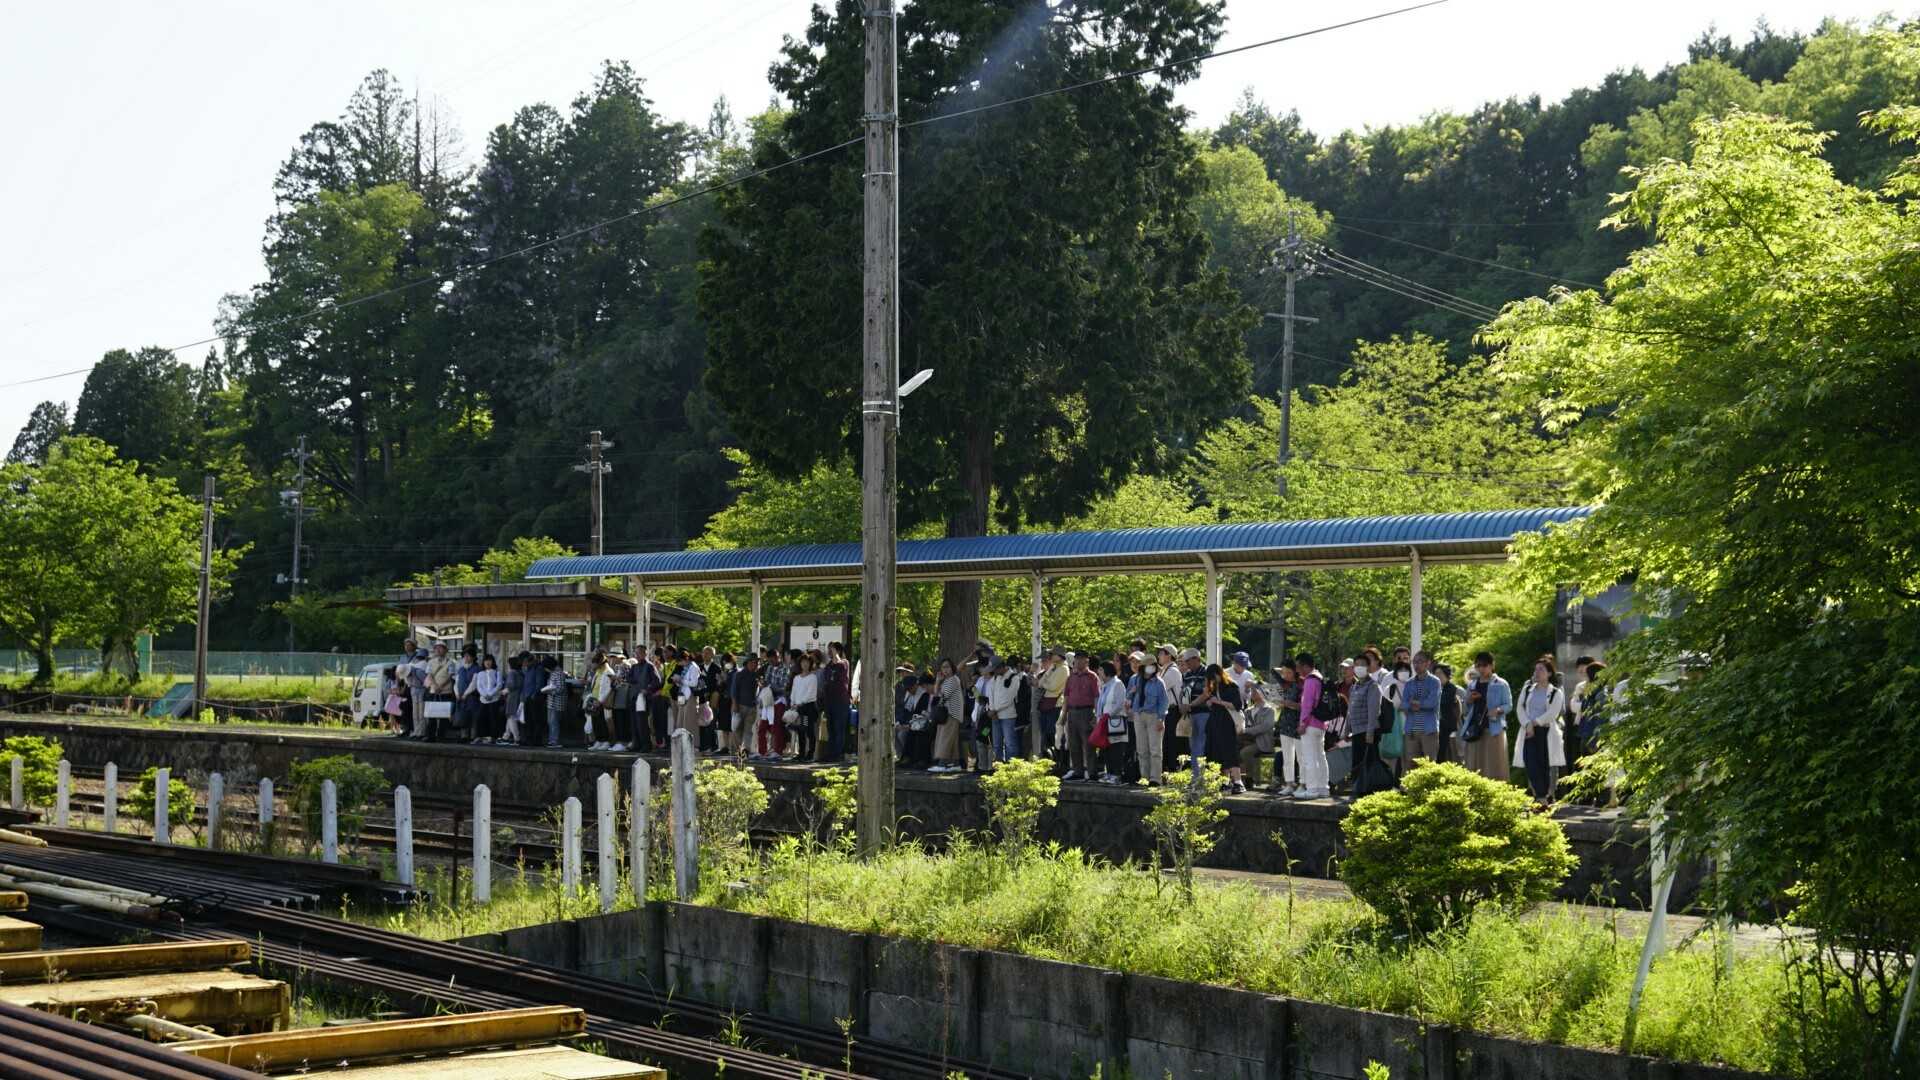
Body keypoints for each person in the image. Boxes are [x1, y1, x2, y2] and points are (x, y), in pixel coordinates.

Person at [1512, 656, 1567, 805]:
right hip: (1528, 731)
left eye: (1541, 669)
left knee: (1544, 765)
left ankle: (1544, 797)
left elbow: (1553, 713)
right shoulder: (1527, 689)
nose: (1537, 672)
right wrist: (1527, 724)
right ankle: (1540, 796)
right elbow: (1520, 708)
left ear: (1549, 673)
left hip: (1545, 731)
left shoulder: (1556, 692)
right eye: (1536, 669)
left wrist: (1535, 722)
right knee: (1531, 763)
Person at [1461, 651, 1512, 781]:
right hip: (1474, 728)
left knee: (1494, 764)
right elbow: (1465, 708)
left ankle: (1497, 791)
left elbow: (1508, 705)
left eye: (1484, 665)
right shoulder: (1472, 684)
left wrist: (1498, 710)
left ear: (1492, 665)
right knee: (1474, 764)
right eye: (1478, 665)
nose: (1481, 669)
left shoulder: (1501, 683)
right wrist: (1470, 700)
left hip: (1494, 729)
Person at [1194, 663, 1244, 791]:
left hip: (1227, 723)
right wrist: (1209, 701)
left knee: (1230, 752)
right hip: (1215, 723)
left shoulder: (1231, 686)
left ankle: (1238, 781)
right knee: (1217, 752)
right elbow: (1211, 704)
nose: (1212, 680)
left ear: (1218, 674)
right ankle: (1224, 781)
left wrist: (1218, 702)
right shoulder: (1213, 688)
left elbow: (1237, 705)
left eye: (1213, 677)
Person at [1126, 654, 1169, 784]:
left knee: (1155, 749)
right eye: (1148, 665)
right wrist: (1131, 693)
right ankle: (1145, 778)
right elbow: (1128, 696)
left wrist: (1161, 719)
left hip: (1154, 716)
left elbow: (1163, 702)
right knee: (1141, 749)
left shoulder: (1159, 682)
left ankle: (1155, 779)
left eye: (1153, 665)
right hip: (1138, 716)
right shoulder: (1134, 679)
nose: (1151, 667)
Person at [1294, 653, 1330, 800]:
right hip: (1321, 723)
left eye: (1298, 667)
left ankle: (1312, 789)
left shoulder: (1310, 680)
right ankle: (1323, 788)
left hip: (1310, 724)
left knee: (1309, 757)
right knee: (1320, 756)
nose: (1297, 670)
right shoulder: (1320, 678)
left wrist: (1303, 723)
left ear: (1305, 666)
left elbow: (1307, 704)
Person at [1061, 652, 1100, 782]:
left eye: (1081, 659)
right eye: (1076, 659)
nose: (1078, 662)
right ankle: (1078, 771)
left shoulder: (1092, 677)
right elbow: (1066, 697)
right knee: (1073, 743)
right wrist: (1064, 715)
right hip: (1072, 712)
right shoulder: (1071, 677)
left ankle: (1092, 772)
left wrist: (1096, 715)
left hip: (1086, 712)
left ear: (1086, 661)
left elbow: (1097, 697)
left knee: (1088, 744)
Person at [1400, 651, 1442, 766]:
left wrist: (1417, 704)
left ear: (1428, 663)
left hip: (1429, 729)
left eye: (1420, 662)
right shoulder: (1409, 683)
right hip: (1411, 729)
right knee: (1411, 763)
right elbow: (1403, 704)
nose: (1416, 665)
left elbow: (1432, 703)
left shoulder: (1434, 681)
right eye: (1414, 662)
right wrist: (1413, 705)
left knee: (1429, 763)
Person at [1095, 660, 1130, 784]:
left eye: (1100, 670)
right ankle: (1109, 773)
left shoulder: (1117, 684)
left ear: (1107, 671)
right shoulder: (1104, 685)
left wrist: (1108, 715)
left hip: (1115, 722)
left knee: (1116, 749)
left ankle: (1117, 774)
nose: (1099, 672)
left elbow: (1120, 703)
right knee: (1107, 749)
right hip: (1105, 722)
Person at [929, 659, 967, 773]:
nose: (945, 670)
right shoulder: (947, 680)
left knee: (944, 739)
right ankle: (955, 764)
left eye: (947, 667)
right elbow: (937, 694)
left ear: (952, 668)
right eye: (943, 667)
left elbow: (942, 696)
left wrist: (938, 684)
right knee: (952, 741)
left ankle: (942, 764)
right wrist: (938, 682)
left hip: (950, 714)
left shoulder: (953, 680)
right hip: (948, 714)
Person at [1270, 662, 1302, 796]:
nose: (1286, 675)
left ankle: (1303, 783)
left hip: (1298, 724)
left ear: (1295, 671)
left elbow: (1304, 706)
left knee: (1300, 757)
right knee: (1287, 756)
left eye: (1289, 672)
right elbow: (1273, 671)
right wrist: (1282, 670)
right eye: (1284, 672)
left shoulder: (1301, 684)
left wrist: (1290, 704)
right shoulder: (1284, 684)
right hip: (1285, 723)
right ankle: (1289, 783)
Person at [1238, 684, 1277, 791]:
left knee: (1245, 752)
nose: (1253, 693)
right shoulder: (1248, 710)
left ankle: (1249, 778)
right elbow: (1243, 724)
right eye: (1252, 691)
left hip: (1262, 742)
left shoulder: (1269, 710)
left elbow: (1266, 726)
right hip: (1247, 739)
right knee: (1232, 748)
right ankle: (1236, 779)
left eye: (1256, 691)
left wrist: (1246, 730)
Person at [986, 658, 1023, 766]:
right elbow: (990, 695)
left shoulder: (1014, 677)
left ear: (1001, 667)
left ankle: (1011, 767)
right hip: (995, 716)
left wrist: (994, 710)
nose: (993, 672)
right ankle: (998, 767)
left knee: (1010, 743)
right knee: (996, 744)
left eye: (995, 669)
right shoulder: (995, 678)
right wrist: (991, 709)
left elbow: (1009, 698)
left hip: (1008, 716)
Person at [820, 642, 853, 764]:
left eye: (832, 650)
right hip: (830, 701)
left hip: (841, 701)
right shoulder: (828, 666)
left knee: (840, 728)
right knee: (831, 728)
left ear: (838, 651)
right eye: (829, 650)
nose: (829, 653)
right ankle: (831, 753)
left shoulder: (844, 663)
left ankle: (838, 754)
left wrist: (836, 656)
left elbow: (841, 668)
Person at [1032, 649, 1068, 760]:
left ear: (1059, 656)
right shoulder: (1054, 668)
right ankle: (1047, 760)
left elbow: (1052, 687)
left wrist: (1044, 683)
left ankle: (1057, 761)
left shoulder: (1063, 669)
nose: (1051, 656)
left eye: (1053, 654)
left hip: (1055, 706)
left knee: (1053, 735)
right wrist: (1046, 681)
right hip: (1046, 705)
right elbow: (1040, 683)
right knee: (1045, 735)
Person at [788, 653, 820, 762]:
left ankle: (810, 754)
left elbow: (811, 693)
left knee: (808, 730)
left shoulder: (812, 677)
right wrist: (792, 703)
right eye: (803, 662)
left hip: (808, 708)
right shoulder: (796, 678)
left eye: (807, 662)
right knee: (800, 730)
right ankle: (801, 754)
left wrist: (800, 703)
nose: (805, 664)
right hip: (798, 709)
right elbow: (793, 692)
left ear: (810, 664)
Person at [729, 654, 760, 763]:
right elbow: (734, 691)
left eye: (756, 662)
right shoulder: (739, 674)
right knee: (737, 730)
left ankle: (745, 752)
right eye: (753, 662)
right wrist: (735, 704)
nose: (755, 664)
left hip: (752, 707)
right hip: (739, 706)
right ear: (747, 663)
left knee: (748, 730)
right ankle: (738, 752)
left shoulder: (757, 675)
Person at [583, 650, 614, 751]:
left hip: (602, 702)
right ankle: (599, 741)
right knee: (596, 722)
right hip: (594, 700)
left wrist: (600, 701)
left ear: (599, 663)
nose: (593, 665)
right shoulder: (598, 671)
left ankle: (605, 741)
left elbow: (608, 688)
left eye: (594, 663)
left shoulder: (608, 672)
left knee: (603, 722)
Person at [1435, 661, 1460, 764]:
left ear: (1446, 674)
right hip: (1435, 727)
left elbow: (1442, 702)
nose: (1437, 676)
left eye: (1440, 673)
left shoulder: (1451, 688)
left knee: (1446, 754)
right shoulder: (1433, 688)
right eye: (1436, 673)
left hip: (1447, 727)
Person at [542, 655, 568, 748]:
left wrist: (549, 691)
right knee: (550, 722)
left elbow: (560, 688)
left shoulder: (559, 673)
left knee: (554, 722)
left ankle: (555, 741)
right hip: (551, 702)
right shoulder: (553, 672)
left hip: (557, 702)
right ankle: (551, 740)